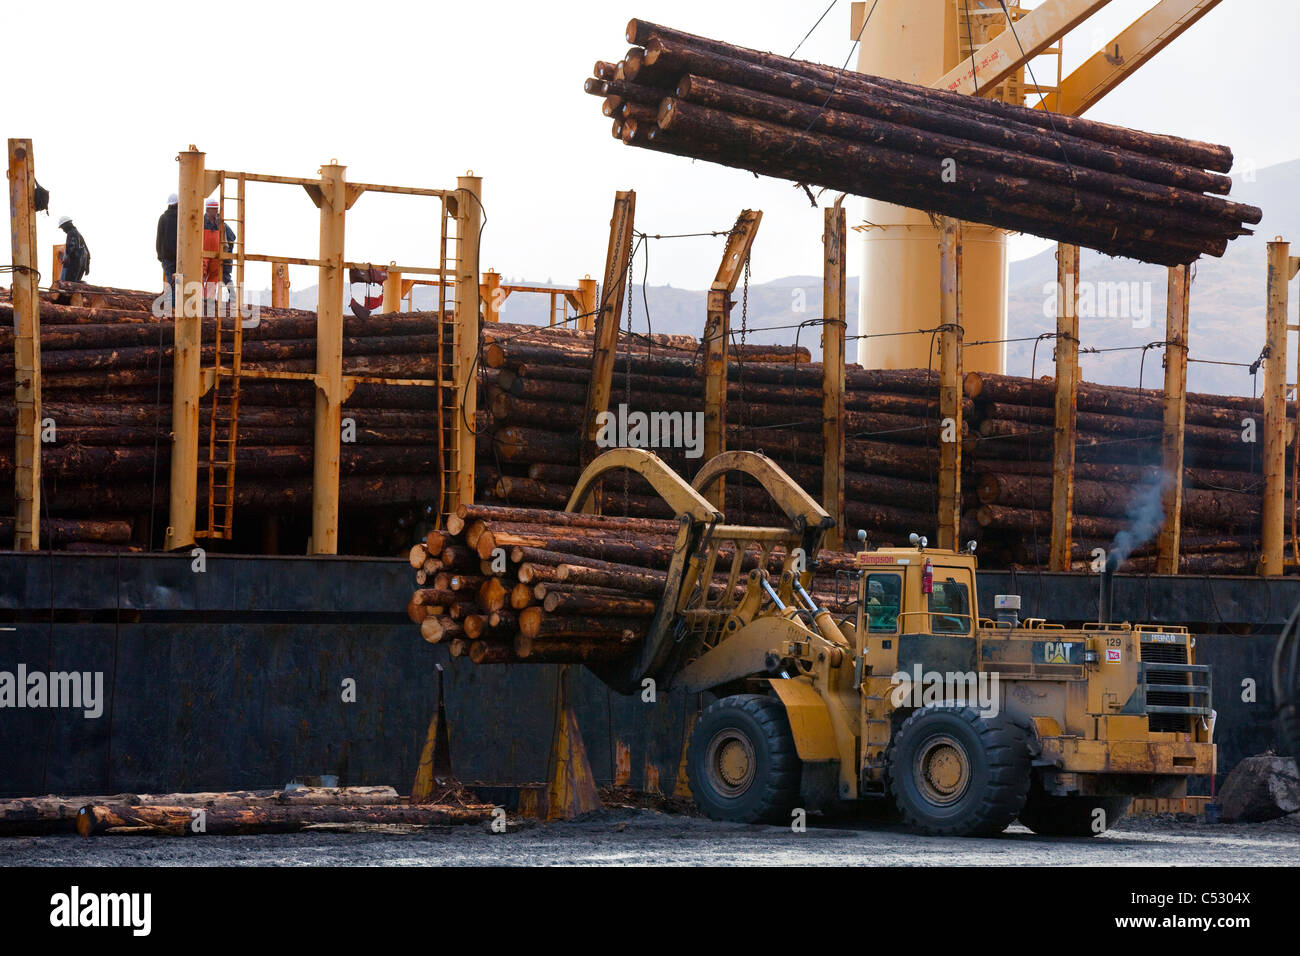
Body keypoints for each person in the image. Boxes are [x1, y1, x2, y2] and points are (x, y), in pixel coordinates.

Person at [156, 193, 178, 306]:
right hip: (180, 258)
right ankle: (173, 309)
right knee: (177, 285)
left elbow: (159, 238)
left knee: (170, 284)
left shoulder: (163, 218)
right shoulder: (182, 219)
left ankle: (171, 309)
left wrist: (160, 256)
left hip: (167, 258)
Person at [57, 216, 90, 282]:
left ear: (66, 225)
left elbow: (71, 247)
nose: (63, 230)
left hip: (74, 265)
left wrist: (67, 257)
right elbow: (88, 253)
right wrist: (87, 265)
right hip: (80, 266)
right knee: (74, 284)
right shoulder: (79, 235)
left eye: (63, 228)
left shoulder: (71, 233)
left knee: (67, 284)